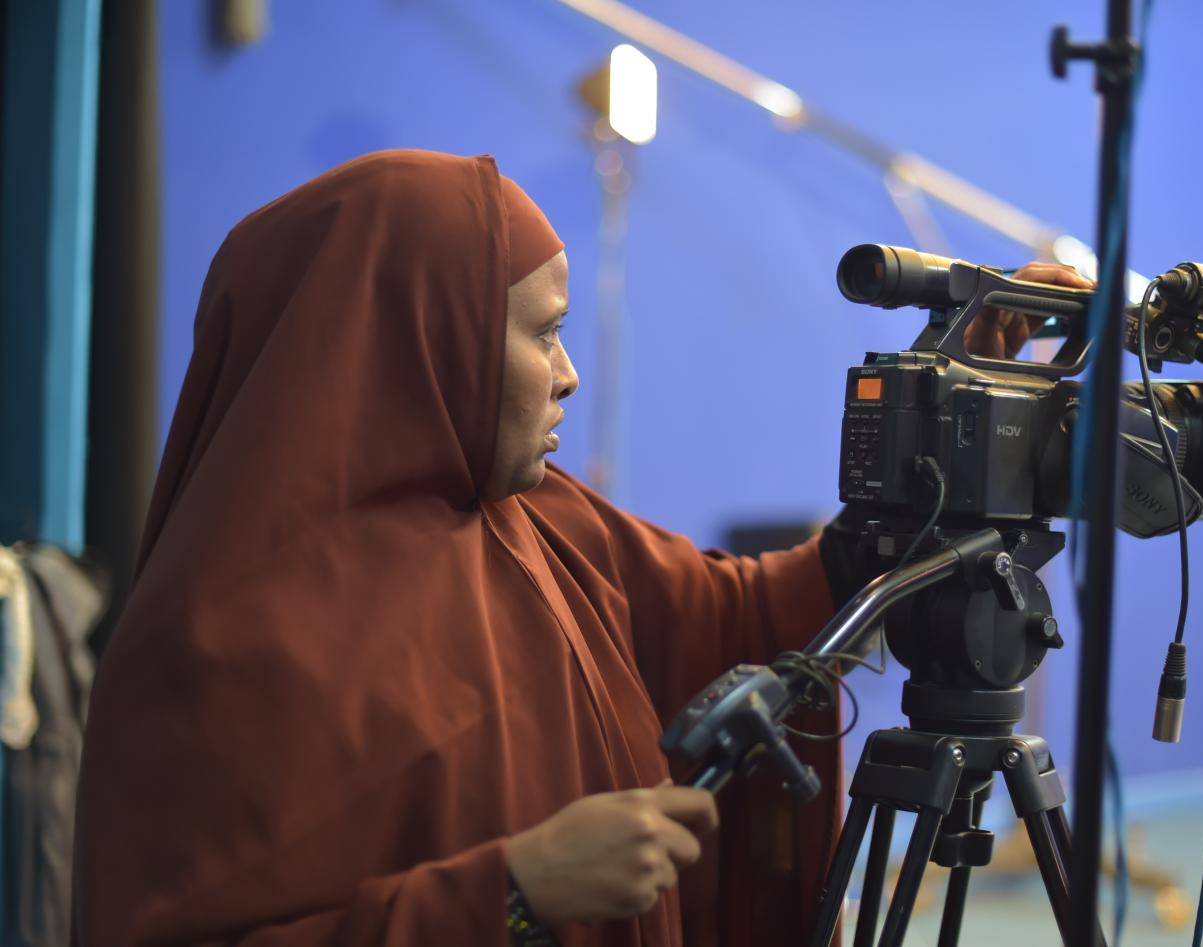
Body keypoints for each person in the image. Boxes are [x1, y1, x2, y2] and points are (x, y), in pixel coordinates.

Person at [73, 150, 1090, 947]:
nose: (564, 374)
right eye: (540, 333)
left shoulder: (536, 518)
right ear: (416, 342)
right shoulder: (211, 652)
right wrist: (513, 895)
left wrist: (944, 434)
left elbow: (731, 619)